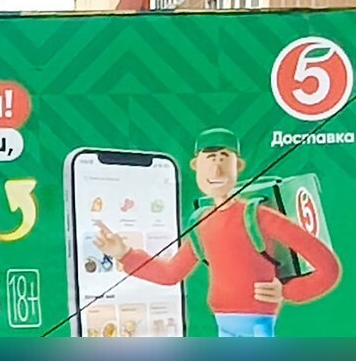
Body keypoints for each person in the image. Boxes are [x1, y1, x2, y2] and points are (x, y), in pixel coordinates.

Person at [94, 127, 339, 337]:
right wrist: (124, 254)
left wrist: (286, 291)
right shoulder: (201, 223)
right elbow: (170, 273)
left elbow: (329, 269)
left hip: (258, 324)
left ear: (238, 166)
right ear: (195, 166)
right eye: (210, 159)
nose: (217, 170)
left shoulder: (258, 216)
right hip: (222, 324)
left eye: (224, 159)